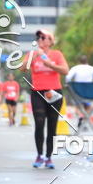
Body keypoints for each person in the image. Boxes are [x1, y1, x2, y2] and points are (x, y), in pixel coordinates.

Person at [19, 29, 69, 169]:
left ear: (50, 41)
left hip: (54, 92)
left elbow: (65, 70)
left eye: (43, 37)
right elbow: (22, 68)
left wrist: (49, 64)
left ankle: (48, 157)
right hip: (38, 92)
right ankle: (39, 155)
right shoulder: (32, 54)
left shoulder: (57, 54)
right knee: (39, 123)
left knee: (52, 126)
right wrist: (34, 57)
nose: (40, 39)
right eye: (38, 37)